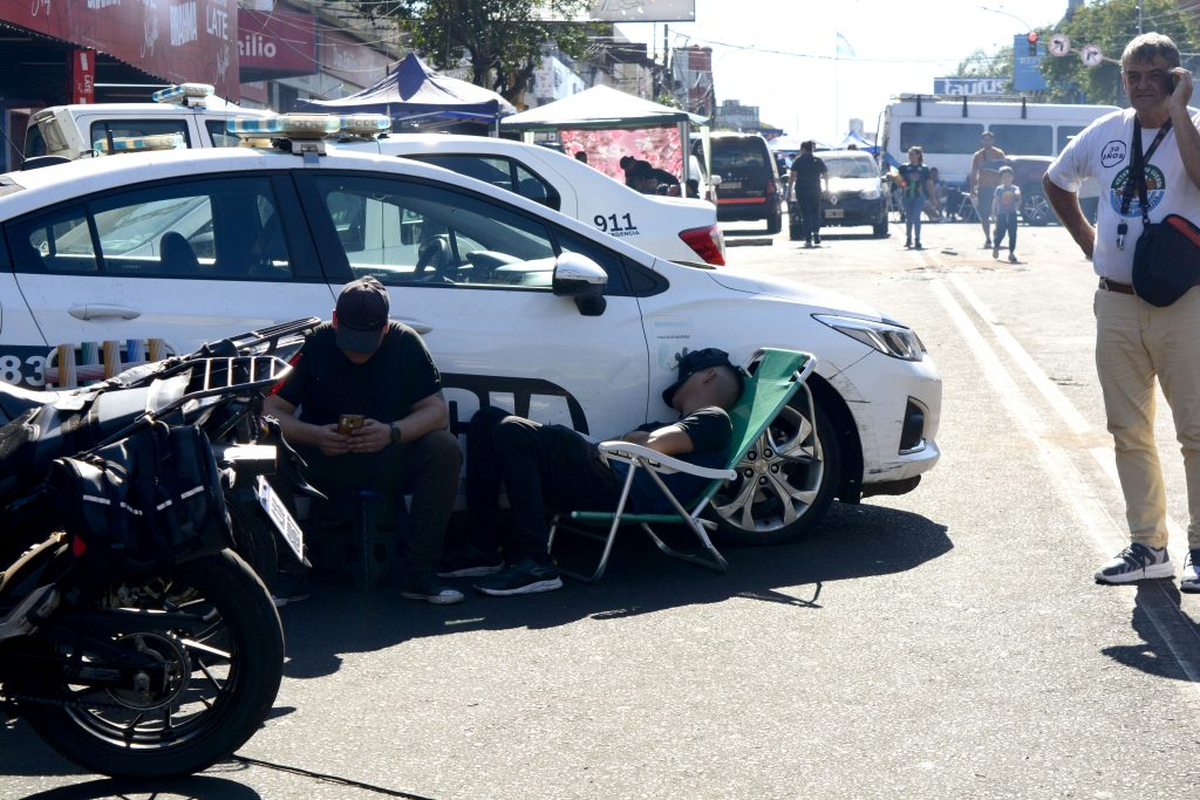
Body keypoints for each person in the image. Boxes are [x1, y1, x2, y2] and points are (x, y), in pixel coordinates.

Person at [1043, 32, 1200, 591]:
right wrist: (1088, 240)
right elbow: (1056, 181)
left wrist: (1179, 111)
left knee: (1196, 430)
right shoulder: (1106, 130)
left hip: (1186, 303)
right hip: (1115, 301)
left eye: (1155, 75)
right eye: (1133, 76)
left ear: (1177, 77)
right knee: (1128, 430)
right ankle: (1149, 546)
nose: (1141, 85)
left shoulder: (1194, 125)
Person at [451, 348, 745, 596]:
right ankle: (483, 549)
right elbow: (623, 444)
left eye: (685, 373)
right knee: (486, 420)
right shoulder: (673, 424)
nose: (676, 380)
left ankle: (537, 564)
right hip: (605, 477)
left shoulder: (714, 418)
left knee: (514, 430)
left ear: (709, 375)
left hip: (619, 489)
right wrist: (635, 438)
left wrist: (637, 438)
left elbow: (651, 445)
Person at [263, 276, 465, 605]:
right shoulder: (315, 342)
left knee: (444, 448)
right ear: (335, 320)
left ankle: (421, 570)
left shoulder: (405, 342)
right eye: (350, 340)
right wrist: (316, 435)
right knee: (266, 450)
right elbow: (271, 411)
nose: (357, 350)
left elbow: (436, 412)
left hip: (387, 458)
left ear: (385, 327)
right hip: (324, 457)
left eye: (366, 341)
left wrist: (391, 432)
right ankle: (289, 568)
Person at [970, 131, 1008, 248]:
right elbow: (973, 172)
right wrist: (972, 188)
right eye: (984, 140)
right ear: (981, 141)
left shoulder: (999, 153)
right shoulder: (977, 155)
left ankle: (997, 234)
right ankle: (987, 238)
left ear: (993, 141)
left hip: (997, 188)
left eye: (989, 139)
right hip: (983, 188)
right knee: (985, 215)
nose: (987, 142)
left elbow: (1005, 171)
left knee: (999, 214)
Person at [787, 141, 828, 248]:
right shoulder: (817, 160)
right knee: (815, 212)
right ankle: (816, 232)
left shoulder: (798, 160)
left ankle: (808, 239)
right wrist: (827, 188)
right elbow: (825, 174)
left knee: (806, 214)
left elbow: (792, 176)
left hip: (802, 190)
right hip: (815, 189)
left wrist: (789, 191)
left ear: (803, 149)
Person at [896, 145, 938, 250]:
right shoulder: (904, 167)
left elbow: (929, 183)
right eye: (909, 154)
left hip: (919, 196)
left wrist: (933, 198)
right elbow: (898, 180)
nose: (910, 156)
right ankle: (908, 239)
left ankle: (917, 239)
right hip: (907, 196)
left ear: (918, 155)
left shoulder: (924, 168)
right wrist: (902, 185)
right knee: (909, 218)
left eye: (912, 154)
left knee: (916, 217)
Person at [991, 166, 1021, 262]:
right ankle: (996, 246)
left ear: (1012, 177)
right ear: (1000, 179)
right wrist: (993, 213)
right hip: (1001, 215)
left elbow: (1019, 199)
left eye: (1008, 176)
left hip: (1012, 214)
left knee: (1013, 234)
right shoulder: (999, 189)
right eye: (1004, 177)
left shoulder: (1015, 188)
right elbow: (995, 201)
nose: (1006, 179)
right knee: (1000, 233)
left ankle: (1011, 253)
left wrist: (1017, 205)